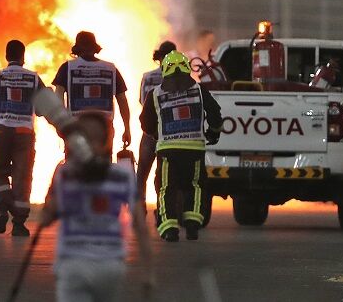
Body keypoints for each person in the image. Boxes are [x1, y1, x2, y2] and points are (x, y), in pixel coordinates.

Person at [40, 111, 155, 302]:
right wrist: (148, 274)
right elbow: (140, 226)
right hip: (110, 266)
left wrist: (53, 192)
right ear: (106, 143)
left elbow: (46, 218)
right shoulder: (123, 175)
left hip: (73, 264)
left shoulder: (65, 173)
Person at [138, 51, 222, 242]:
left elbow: (145, 123)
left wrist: (157, 134)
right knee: (195, 186)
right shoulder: (200, 90)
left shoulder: (155, 94)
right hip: (194, 149)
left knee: (166, 187)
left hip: (168, 151)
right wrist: (214, 133)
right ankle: (192, 225)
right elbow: (215, 113)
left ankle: (169, 229)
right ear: (186, 68)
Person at [0, 39, 44, 236]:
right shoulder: (34, 79)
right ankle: (19, 223)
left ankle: (2, 208)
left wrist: (4, 116)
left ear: (6, 56)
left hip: (1, 130)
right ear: (23, 56)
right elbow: (43, 108)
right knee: (22, 176)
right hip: (24, 133)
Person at [52, 31, 133, 152]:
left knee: (75, 168)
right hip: (104, 128)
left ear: (77, 49)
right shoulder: (111, 68)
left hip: (76, 127)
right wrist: (127, 128)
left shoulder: (67, 68)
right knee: (102, 167)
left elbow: (57, 97)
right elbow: (122, 100)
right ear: (95, 48)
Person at [135, 41, 176, 201]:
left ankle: (140, 206)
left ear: (158, 57)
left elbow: (142, 101)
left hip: (150, 131)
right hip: (171, 131)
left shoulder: (148, 77)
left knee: (142, 173)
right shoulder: (181, 79)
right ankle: (163, 207)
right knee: (166, 174)